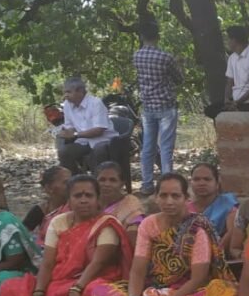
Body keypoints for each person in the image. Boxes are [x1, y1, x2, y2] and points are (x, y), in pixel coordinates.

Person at [92, 173, 230, 296]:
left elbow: (198, 279)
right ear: (156, 198)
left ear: (186, 198)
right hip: (152, 289)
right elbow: (138, 270)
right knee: (101, 292)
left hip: (185, 292)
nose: (169, 201)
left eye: (175, 196)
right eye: (163, 195)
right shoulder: (148, 224)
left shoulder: (197, 228)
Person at [0, 175, 132, 296]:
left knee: (102, 292)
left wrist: (76, 289)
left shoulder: (106, 223)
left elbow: (98, 264)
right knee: (9, 288)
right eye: (77, 196)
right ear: (69, 200)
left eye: (89, 195)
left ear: (98, 199)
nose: (83, 200)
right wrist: (39, 294)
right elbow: (48, 263)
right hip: (60, 281)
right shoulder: (58, 222)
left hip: (93, 279)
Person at [132, 19, 183, 195]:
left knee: (148, 147)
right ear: (158, 36)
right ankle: (167, 185)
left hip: (147, 107)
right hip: (166, 106)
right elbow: (178, 79)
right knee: (166, 148)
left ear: (142, 36)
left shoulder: (137, 56)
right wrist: (179, 64)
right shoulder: (165, 57)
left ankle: (147, 184)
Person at [55, 76, 116, 174]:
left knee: (98, 151)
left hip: (103, 140)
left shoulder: (96, 103)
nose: (66, 95)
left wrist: (75, 135)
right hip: (83, 141)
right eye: (65, 92)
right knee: (64, 152)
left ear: (80, 91)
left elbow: (99, 130)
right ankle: (75, 180)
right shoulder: (67, 105)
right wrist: (65, 132)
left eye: (68, 92)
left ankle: (98, 183)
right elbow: (69, 125)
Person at [22, 165, 70, 248]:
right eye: (66, 182)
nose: (71, 185)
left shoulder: (77, 207)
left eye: (72, 181)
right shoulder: (41, 210)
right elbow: (22, 235)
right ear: (49, 188)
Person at [95, 162, 145, 241]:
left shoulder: (130, 206)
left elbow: (134, 243)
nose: (107, 184)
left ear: (122, 184)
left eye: (113, 180)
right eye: (102, 180)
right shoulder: (88, 202)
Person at [187, 162, 237, 240]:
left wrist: (215, 251)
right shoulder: (185, 209)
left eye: (207, 179)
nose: (201, 183)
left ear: (217, 184)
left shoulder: (227, 204)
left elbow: (231, 233)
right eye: (196, 179)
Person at [224, 25, 249, 112]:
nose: (227, 42)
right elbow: (230, 82)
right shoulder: (232, 58)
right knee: (211, 110)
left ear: (234, 40)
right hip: (236, 101)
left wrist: (237, 103)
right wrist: (227, 99)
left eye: (228, 39)